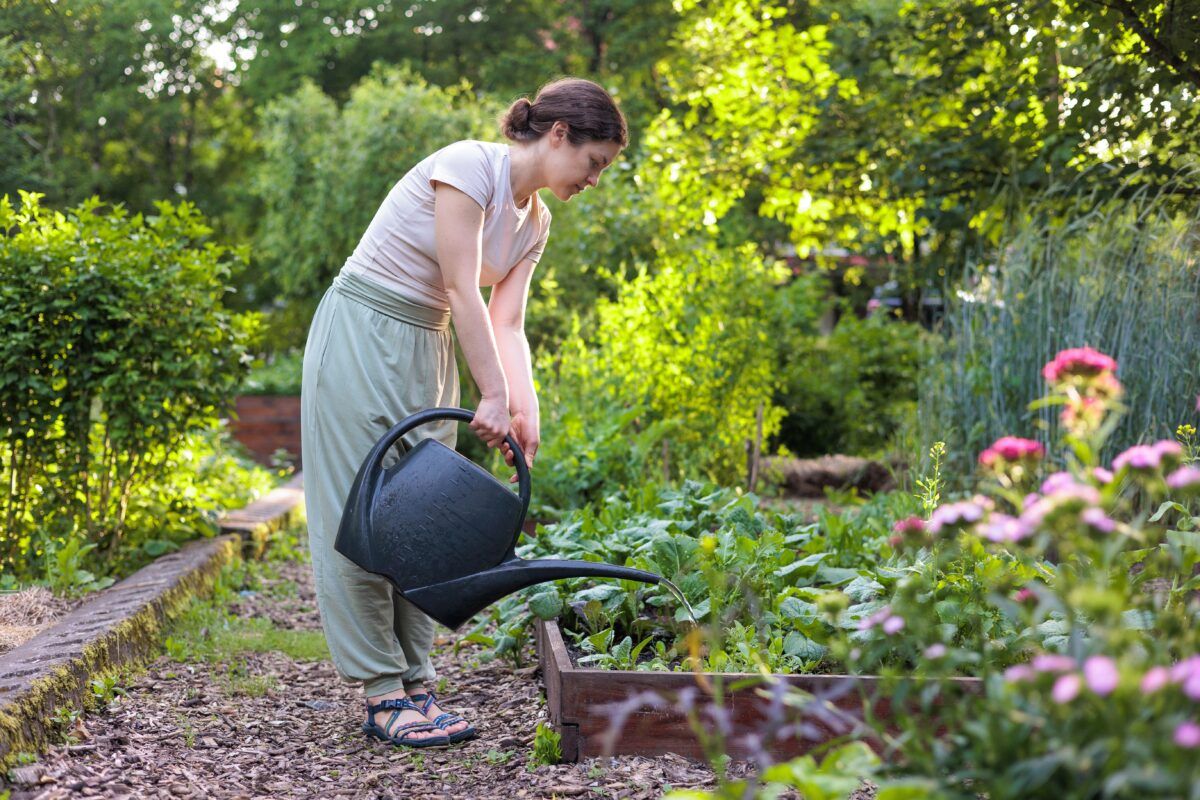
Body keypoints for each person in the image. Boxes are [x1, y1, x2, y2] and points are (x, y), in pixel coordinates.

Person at [300, 78, 627, 749]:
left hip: (431, 342)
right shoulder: (466, 168)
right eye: (594, 162)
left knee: (422, 515)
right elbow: (460, 284)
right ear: (559, 134)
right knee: (359, 507)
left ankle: (417, 681)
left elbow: (507, 323)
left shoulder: (535, 219)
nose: (595, 179)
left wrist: (523, 405)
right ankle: (381, 690)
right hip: (364, 327)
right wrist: (493, 396)